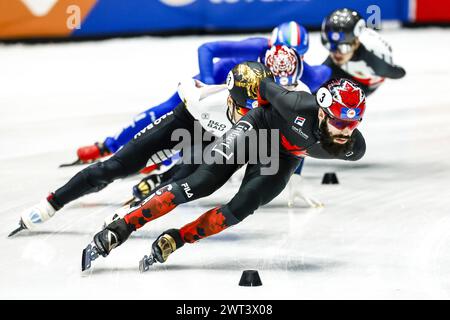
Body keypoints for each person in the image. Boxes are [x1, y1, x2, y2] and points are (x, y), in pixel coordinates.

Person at [80, 62, 367, 271]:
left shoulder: (354, 147)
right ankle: (123, 226)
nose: (345, 131)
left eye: (353, 124)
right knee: (200, 183)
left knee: (240, 208)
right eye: (340, 122)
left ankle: (177, 239)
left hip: (284, 157)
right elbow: (262, 84)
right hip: (257, 129)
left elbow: (343, 139)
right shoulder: (294, 105)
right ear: (321, 110)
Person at [9, 57, 303, 236]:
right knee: (113, 168)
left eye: (258, 107)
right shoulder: (205, 102)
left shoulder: (271, 111)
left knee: (182, 182)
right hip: (190, 121)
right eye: (242, 108)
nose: (249, 115)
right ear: (229, 99)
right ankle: (51, 203)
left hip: (214, 142)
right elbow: (185, 88)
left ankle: (133, 212)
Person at [74, 21, 329, 165]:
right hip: (214, 85)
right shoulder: (256, 46)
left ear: (303, 56)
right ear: (271, 44)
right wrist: (208, 85)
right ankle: (108, 145)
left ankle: (168, 158)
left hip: (241, 102)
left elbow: (304, 120)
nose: (282, 59)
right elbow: (207, 48)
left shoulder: (308, 73)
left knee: (207, 133)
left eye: (295, 55)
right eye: (278, 49)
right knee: (162, 112)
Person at [321, 8, 406, 96]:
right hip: (349, 70)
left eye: (344, 47)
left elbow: (400, 73)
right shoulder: (341, 53)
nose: (337, 54)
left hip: (364, 83)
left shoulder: (377, 63)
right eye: (331, 46)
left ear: (356, 43)